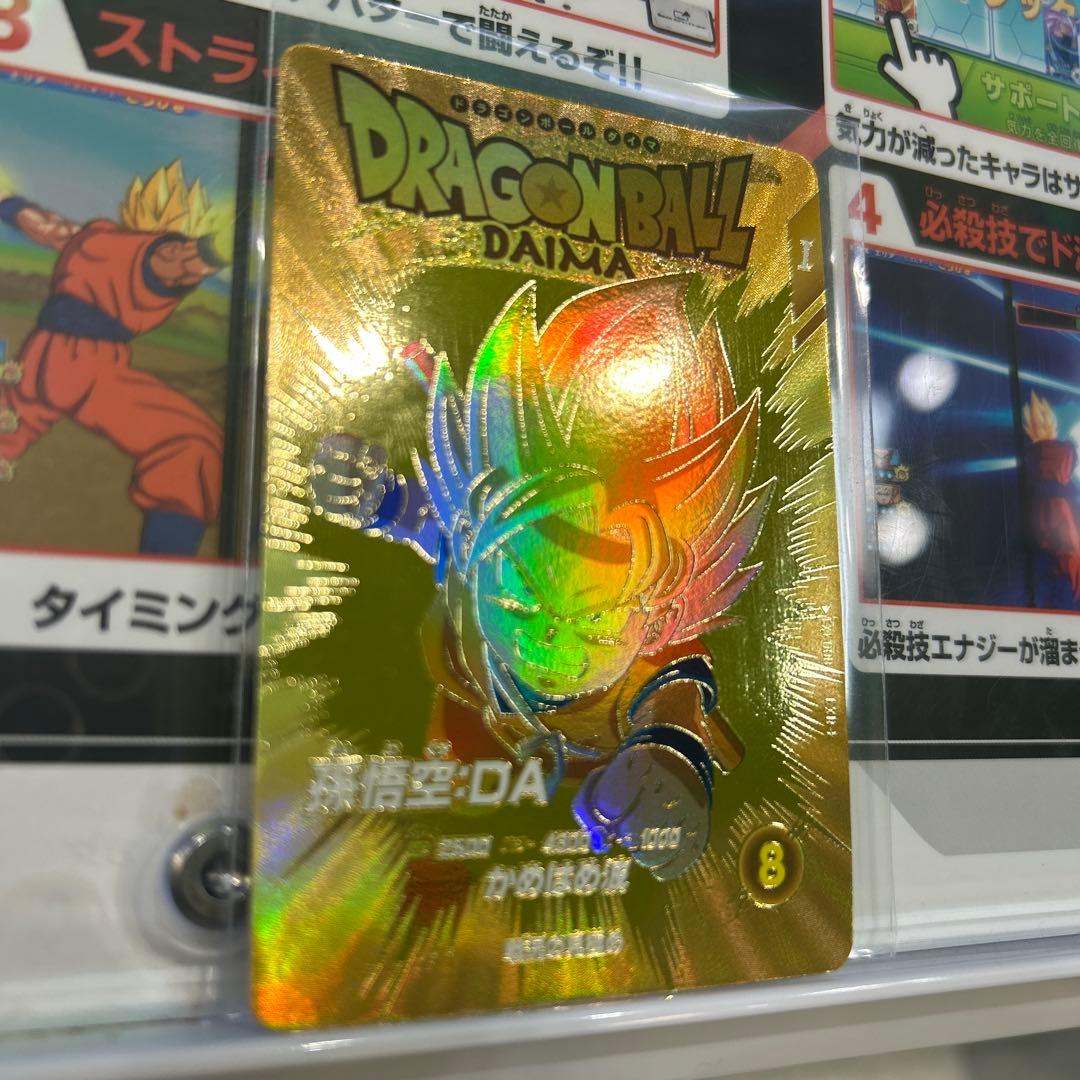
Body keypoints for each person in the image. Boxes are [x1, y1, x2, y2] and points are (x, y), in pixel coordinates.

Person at [311, 276, 773, 879]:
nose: (549, 640)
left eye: (595, 621)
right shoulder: (478, 559)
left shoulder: (656, 664)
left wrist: (670, 761)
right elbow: (430, 526)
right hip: (455, 794)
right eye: (522, 599)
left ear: (655, 617)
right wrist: (376, 497)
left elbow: (675, 703)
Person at [0, 161, 226, 555]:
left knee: (193, 443)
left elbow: (45, 226)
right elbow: (189, 258)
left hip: (71, 364)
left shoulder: (100, 239)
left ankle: (163, 570)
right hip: (71, 366)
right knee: (193, 445)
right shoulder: (128, 245)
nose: (179, 250)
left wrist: (7, 202)